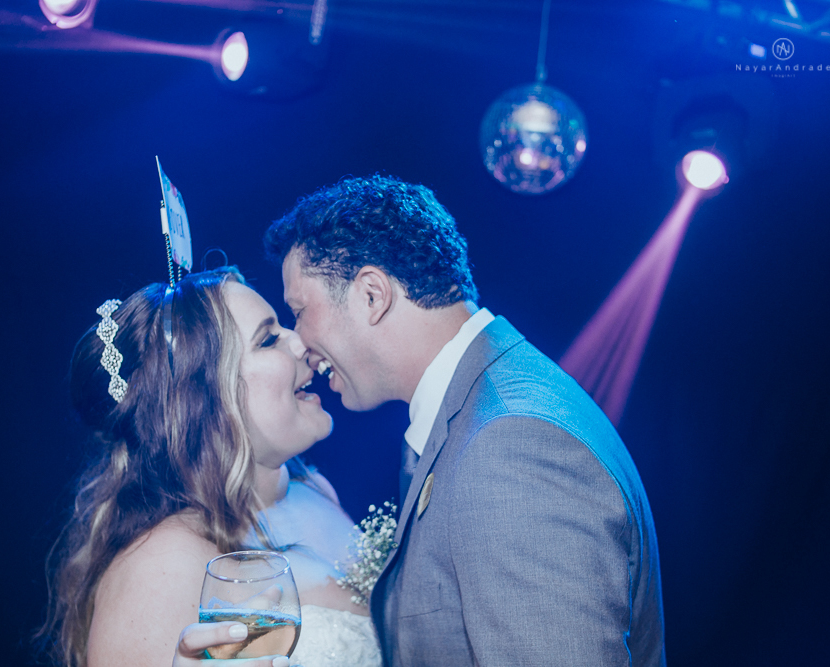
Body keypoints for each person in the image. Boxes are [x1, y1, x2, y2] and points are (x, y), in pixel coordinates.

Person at [262, 175, 667, 666]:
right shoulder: (483, 415)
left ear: (371, 294)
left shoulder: (510, 444)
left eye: (299, 311)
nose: (298, 341)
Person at [39, 267, 382, 667]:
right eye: (268, 340)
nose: (300, 341)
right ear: (206, 402)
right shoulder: (159, 566)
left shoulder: (313, 488)